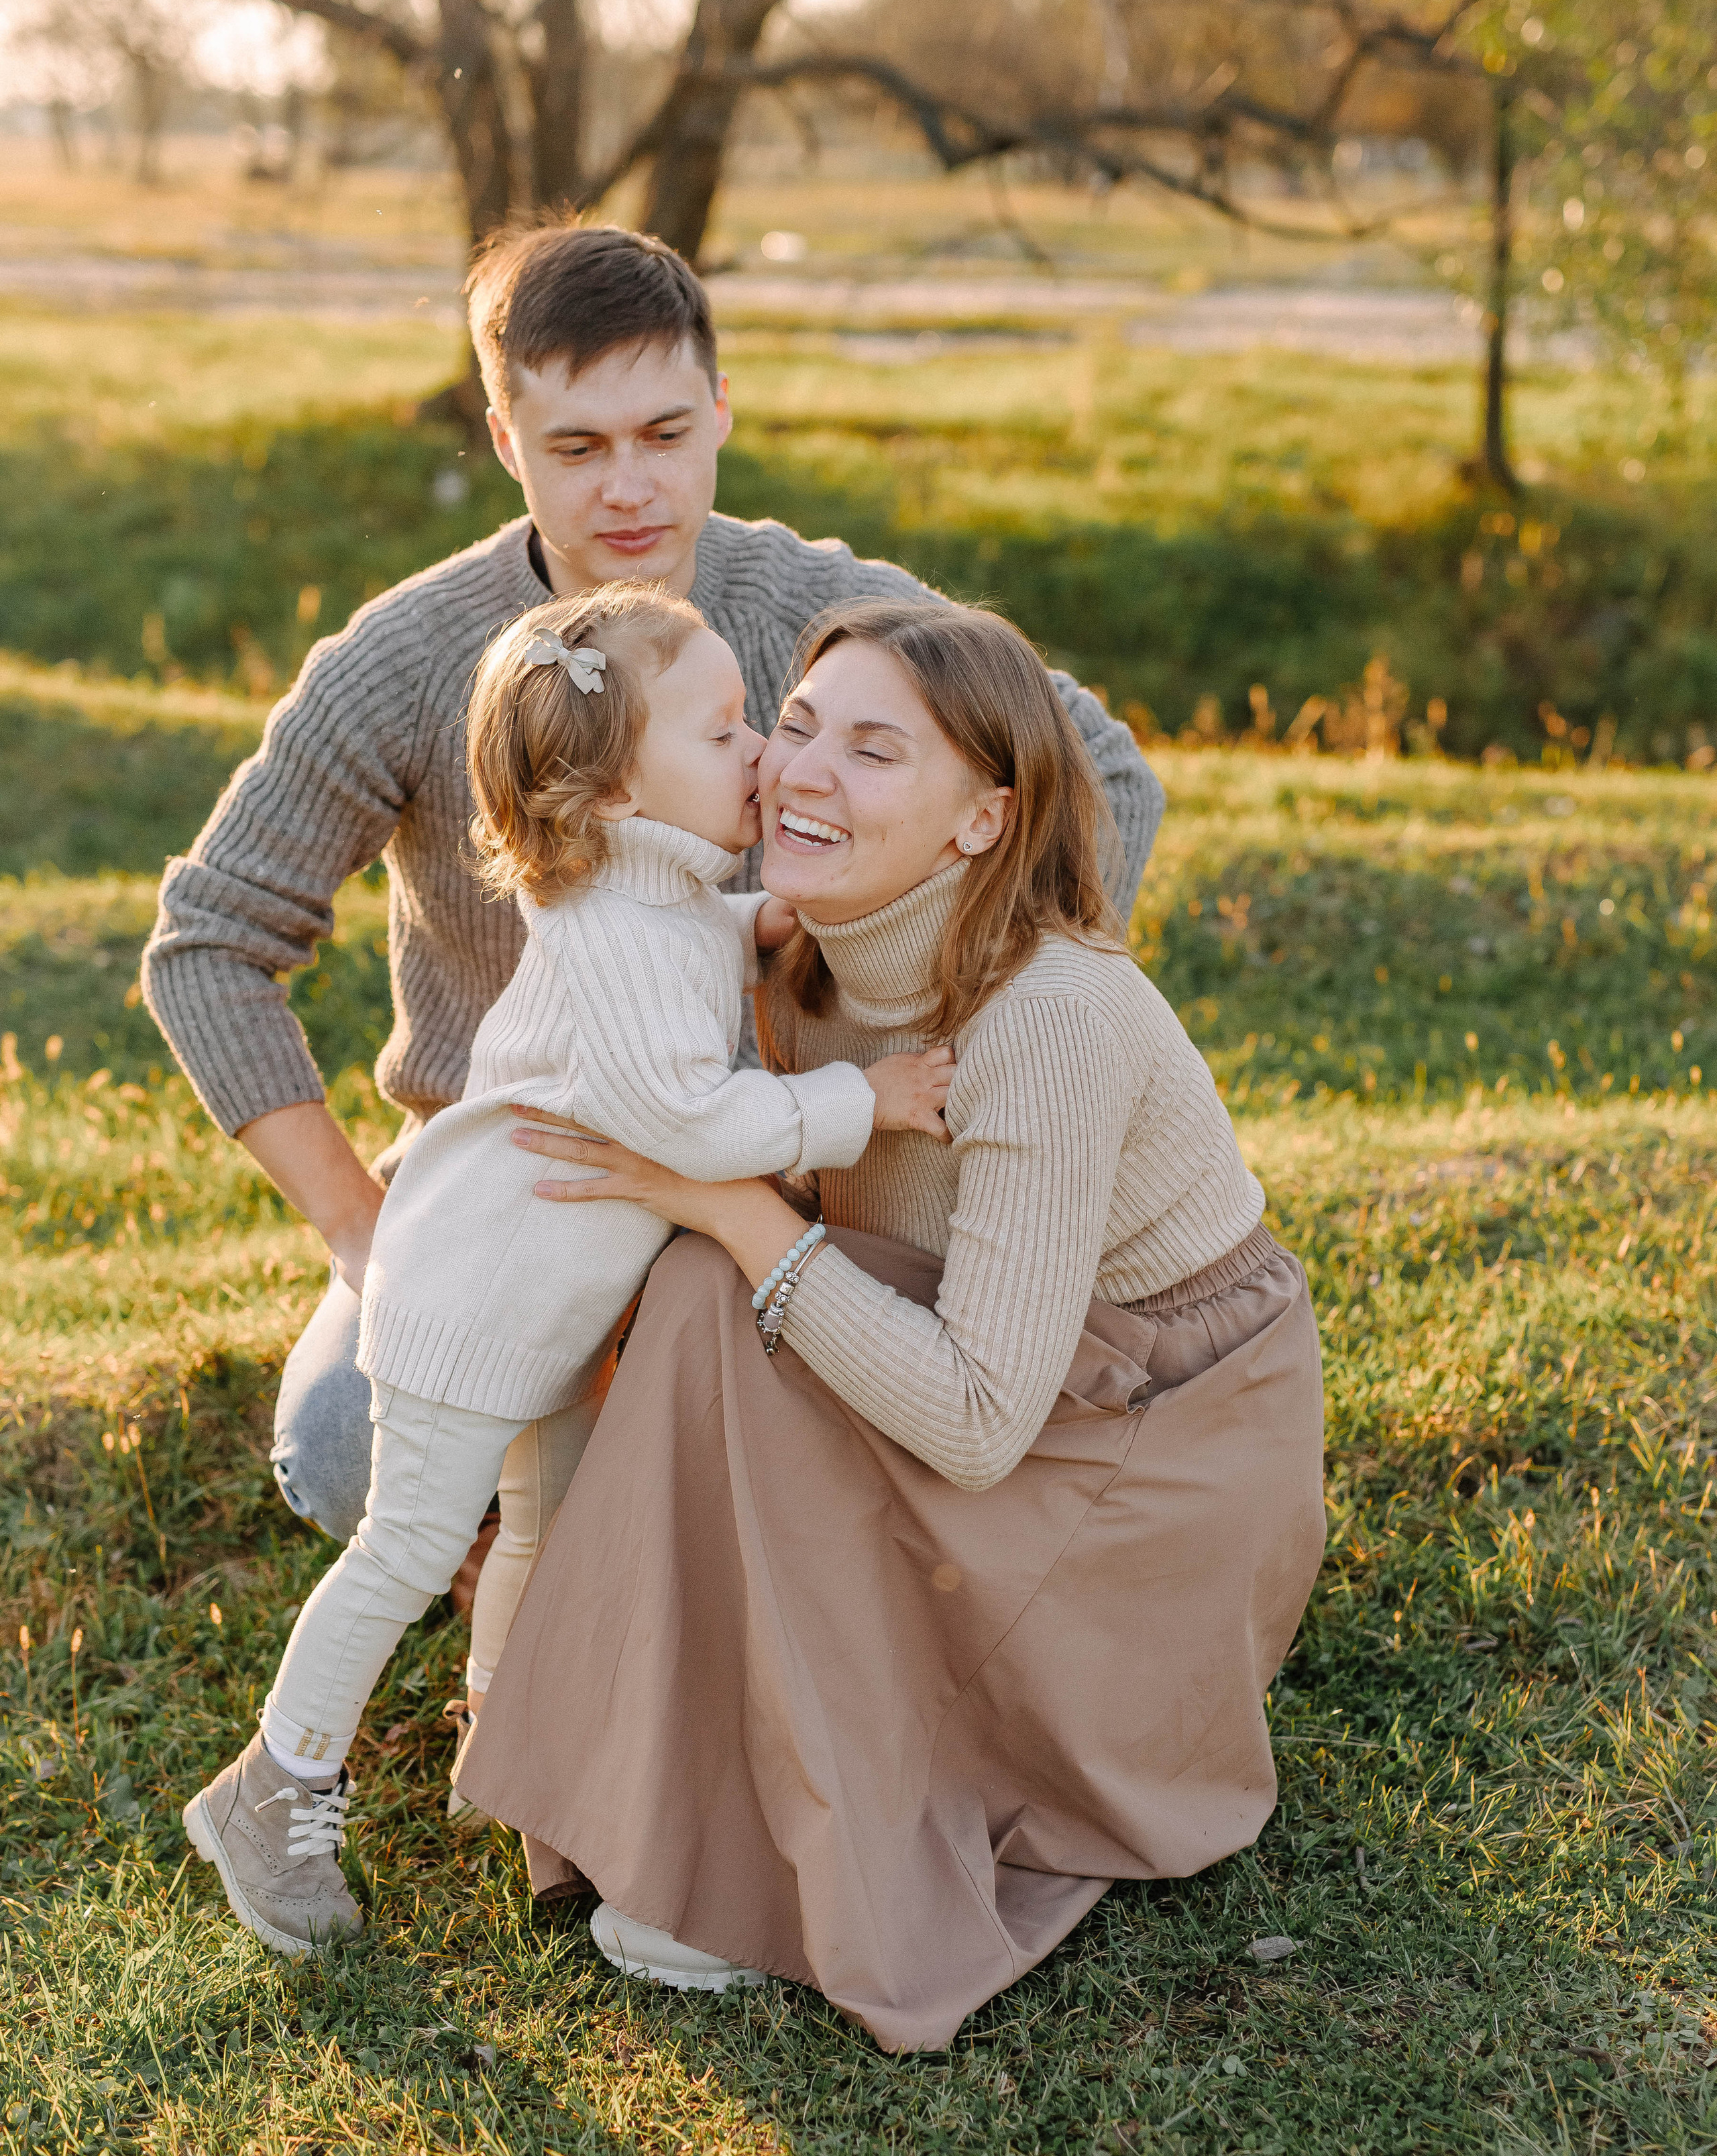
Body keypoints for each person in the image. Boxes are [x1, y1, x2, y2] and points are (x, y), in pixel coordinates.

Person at [141, 219, 1165, 1559]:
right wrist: (360, 1224)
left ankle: (642, 1563)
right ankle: (535, 1583)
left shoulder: (824, 604)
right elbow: (208, 941)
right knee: (342, 1458)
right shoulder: (399, 661)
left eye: (666, 433)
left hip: (803, 1156)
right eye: (576, 447)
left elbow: (1096, 773)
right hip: (524, 1176)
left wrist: (976, 1021)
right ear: (505, 438)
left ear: (721, 409)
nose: (630, 486)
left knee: (848, 1444)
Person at [458, 596, 1327, 2053]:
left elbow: (980, 1423)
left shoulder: (1046, 1017)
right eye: (793, 728)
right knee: (698, 1296)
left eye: (872, 753)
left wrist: (739, 1212)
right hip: (1002, 1374)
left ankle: (786, 1834)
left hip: (1140, 1450)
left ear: (983, 822)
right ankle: (672, 1780)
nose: (800, 774)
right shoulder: (806, 963)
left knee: (719, 1273)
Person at [180, 579, 958, 1956]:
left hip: (544, 1313)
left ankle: (512, 1748)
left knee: (543, 1526)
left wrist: (754, 931)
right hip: (470, 1309)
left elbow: (684, 940)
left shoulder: (648, 895)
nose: (761, 759)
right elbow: (686, 1120)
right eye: (724, 735)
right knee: (408, 1551)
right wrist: (867, 1103)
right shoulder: (609, 936)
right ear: (609, 800)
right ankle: (276, 1783)